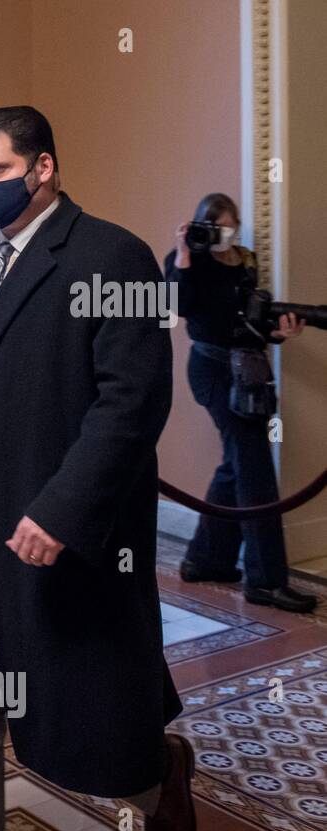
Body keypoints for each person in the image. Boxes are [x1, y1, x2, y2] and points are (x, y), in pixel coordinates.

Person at [0, 105, 195, 831]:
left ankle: (159, 778)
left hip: (63, 529)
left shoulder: (115, 258)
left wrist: (62, 509)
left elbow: (133, 403)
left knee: (89, 697)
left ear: (43, 167)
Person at [164, 194, 317, 614]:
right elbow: (174, 307)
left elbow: (251, 321)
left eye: (231, 225)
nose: (225, 233)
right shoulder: (188, 261)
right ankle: (266, 581)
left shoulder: (246, 263)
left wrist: (279, 334)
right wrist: (182, 256)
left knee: (238, 465)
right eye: (216, 226)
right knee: (255, 471)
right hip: (212, 370)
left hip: (248, 370)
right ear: (201, 226)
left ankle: (205, 559)